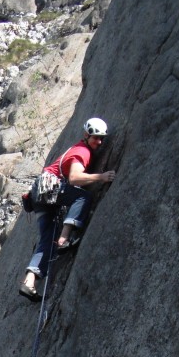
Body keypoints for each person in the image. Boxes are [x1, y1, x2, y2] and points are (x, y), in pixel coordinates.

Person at [19, 118, 116, 301]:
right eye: (96, 138)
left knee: (47, 239)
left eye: (102, 138)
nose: (99, 142)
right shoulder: (82, 151)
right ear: (86, 135)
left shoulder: (78, 148)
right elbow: (74, 178)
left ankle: (29, 282)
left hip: (39, 195)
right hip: (49, 188)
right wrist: (101, 177)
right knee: (83, 196)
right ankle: (64, 239)